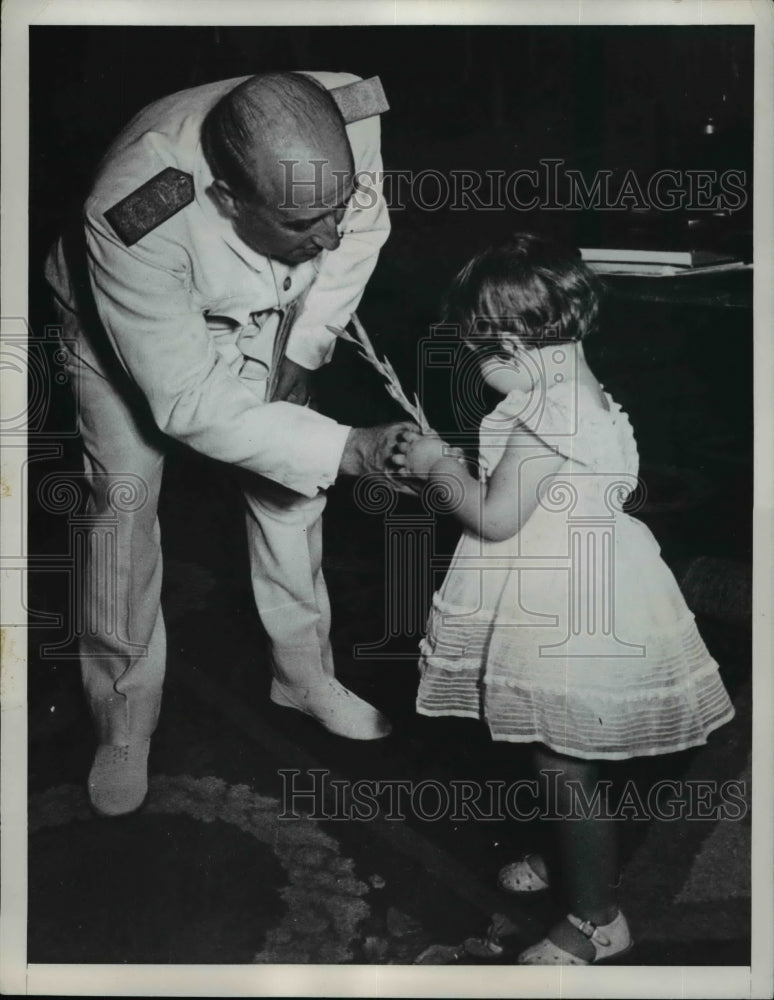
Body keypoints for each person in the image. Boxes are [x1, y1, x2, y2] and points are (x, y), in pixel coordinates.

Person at [44, 71, 415, 818]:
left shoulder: (343, 112)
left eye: (333, 205)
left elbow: (360, 231)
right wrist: (348, 448)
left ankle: (302, 676)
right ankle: (124, 718)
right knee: (123, 507)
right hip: (128, 326)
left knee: (289, 486)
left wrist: (305, 347)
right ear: (228, 200)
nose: (330, 233)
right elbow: (186, 400)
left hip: (270, 308)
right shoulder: (132, 210)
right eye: (308, 218)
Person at [402, 233, 735, 965]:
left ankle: (597, 918)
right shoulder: (574, 390)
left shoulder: (545, 418)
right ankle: (577, 857)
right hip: (582, 581)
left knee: (563, 765)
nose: (477, 366)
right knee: (566, 755)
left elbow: (493, 516)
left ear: (517, 345)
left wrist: (435, 466)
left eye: (481, 353)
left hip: (566, 605)